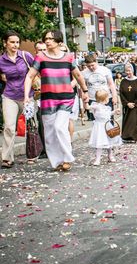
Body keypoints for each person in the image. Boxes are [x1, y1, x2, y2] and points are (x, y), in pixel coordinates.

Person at [23, 30, 89, 171]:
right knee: (50, 133)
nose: (47, 41)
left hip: (65, 98)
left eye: (51, 39)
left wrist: (85, 91)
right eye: (46, 38)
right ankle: (57, 162)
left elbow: (77, 74)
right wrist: (26, 96)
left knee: (59, 127)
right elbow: (29, 77)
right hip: (47, 100)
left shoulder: (68, 57)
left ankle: (67, 158)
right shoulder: (40, 57)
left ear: (59, 42)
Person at [0, 31, 35, 168]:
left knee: (31, 126)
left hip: (28, 97)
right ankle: (7, 158)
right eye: (12, 42)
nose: (15, 45)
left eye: (17, 42)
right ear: (5, 43)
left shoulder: (26, 56)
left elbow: (36, 70)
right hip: (10, 96)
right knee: (9, 127)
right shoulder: (1, 60)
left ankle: (33, 152)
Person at [84, 89, 121, 166]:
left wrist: (114, 112)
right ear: (104, 99)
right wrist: (85, 101)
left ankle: (110, 155)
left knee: (109, 141)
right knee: (99, 143)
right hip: (99, 127)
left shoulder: (106, 107)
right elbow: (87, 107)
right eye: (107, 98)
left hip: (107, 126)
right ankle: (97, 159)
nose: (108, 99)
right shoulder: (96, 106)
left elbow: (109, 114)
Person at [81, 54, 118, 120]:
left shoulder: (105, 70)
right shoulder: (84, 73)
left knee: (108, 118)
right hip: (92, 99)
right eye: (88, 66)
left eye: (93, 65)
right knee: (95, 120)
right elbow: (83, 87)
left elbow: (111, 84)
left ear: (96, 62)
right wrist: (84, 101)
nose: (91, 67)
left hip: (106, 98)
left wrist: (114, 96)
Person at [119, 63, 137, 143]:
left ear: (132, 70)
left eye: (129, 71)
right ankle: (125, 137)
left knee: (134, 121)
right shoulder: (123, 81)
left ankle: (133, 137)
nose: (128, 72)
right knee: (127, 121)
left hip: (136, 105)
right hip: (127, 105)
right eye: (126, 71)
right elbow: (121, 93)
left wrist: (134, 103)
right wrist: (127, 103)